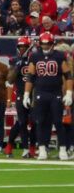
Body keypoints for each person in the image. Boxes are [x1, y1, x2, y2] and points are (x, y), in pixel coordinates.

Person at [20, 31, 72, 160]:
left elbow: (68, 75)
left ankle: (62, 149)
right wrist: (26, 94)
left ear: (52, 43)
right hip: (40, 92)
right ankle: (42, 148)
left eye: (48, 43)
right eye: (43, 44)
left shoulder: (60, 56)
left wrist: (69, 93)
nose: (45, 46)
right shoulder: (35, 56)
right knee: (40, 122)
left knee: (58, 121)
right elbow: (30, 77)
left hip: (56, 93)